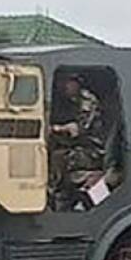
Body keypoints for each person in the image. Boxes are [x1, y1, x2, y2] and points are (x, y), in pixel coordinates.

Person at [49, 74, 108, 210]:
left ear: (76, 83)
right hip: (78, 147)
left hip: (91, 151)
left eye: (67, 83)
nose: (64, 87)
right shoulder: (68, 101)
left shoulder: (87, 101)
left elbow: (77, 129)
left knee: (58, 159)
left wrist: (55, 129)